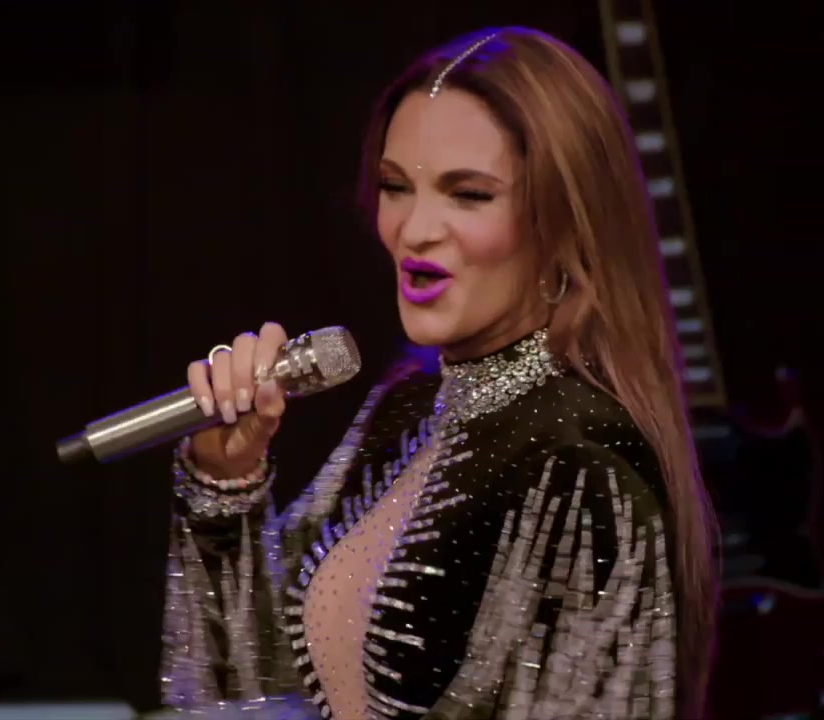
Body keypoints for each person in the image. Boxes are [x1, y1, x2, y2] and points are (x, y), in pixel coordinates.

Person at [160, 26, 718, 720]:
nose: (414, 229)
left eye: (469, 194)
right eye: (396, 186)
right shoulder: (409, 406)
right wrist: (226, 480)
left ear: (564, 218)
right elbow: (256, 694)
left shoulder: (581, 464)